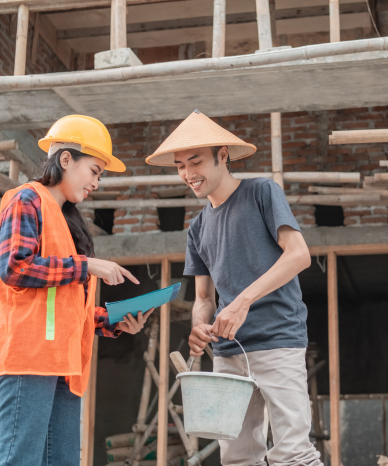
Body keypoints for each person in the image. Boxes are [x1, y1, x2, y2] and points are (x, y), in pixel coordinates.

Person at [146, 110, 322, 466]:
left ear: (222, 156)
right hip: (228, 354)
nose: (188, 173)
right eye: (180, 165)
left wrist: (242, 301)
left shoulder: (261, 192)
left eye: (195, 161)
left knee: (294, 454)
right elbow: (204, 298)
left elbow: (299, 255)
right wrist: (199, 325)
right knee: (237, 458)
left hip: (278, 339)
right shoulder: (197, 228)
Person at [0, 115, 154, 466]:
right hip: (30, 359)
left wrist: (112, 320)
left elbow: (66, 304)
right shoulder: (26, 200)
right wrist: (87, 265)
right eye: (95, 170)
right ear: (66, 159)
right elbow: (14, 267)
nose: (97, 183)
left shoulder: (68, 223)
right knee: (20, 459)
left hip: (64, 365)